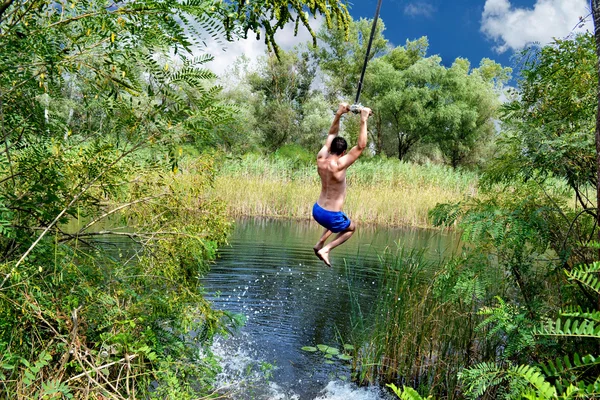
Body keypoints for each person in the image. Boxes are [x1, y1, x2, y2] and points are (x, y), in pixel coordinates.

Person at [312, 102, 371, 267]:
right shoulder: (339, 165)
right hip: (331, 215)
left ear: (330, 148)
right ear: (344, 153)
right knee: (351, 228)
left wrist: (339, 114)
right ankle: (326, 249)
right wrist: (363, 119)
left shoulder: (321, 158)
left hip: (317, 210)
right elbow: (361, 146)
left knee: (338, 218)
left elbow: (331, 134)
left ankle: (319, 244)